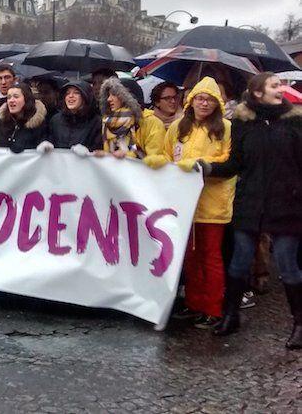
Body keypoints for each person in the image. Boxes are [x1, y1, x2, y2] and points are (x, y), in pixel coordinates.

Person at [201, 72, 302, 348]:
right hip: (250, 203)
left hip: (287, 205)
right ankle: (230, 315)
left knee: (287, 264)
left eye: (281, 84)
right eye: (274, 85)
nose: (281, 88)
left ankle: (300, 324)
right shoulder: (242, 124)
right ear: (257, 92)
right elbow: (235, 163)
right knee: (239, 260)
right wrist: (208, 168)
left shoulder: (295, 121)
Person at [164, 77, 235, 330]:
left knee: (211, 256)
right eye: (200, 99)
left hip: (212, 204)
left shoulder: (226, 127)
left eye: (209, 100)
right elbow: (166, 154)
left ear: (217, 104)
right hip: (185, 204)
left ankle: (213, 308)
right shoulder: (177, 128)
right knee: (190, 257)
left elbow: (229, 159)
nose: (204, 104)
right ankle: (194, 304)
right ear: (191, 101)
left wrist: (202, 165)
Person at [97, 77, 166, 161]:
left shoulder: (151, 122)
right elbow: (110, 155)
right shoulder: (108, 121)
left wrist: (128, 156)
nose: (109, 99)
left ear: (128, 97)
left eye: (114, 94)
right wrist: (104, 156)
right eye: (108, 95)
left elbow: (155, 159)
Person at [48, 80, 103, 151]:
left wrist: (87, 151)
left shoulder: (96, 122)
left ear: (85, 97)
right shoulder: (56, 120)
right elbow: (50, 142)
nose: (70, 96)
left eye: (76, 93)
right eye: (67, 93)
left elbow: (99, 150)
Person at [0, 83, 48, 152]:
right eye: (9, 97)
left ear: (27, 99)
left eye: (16, 97)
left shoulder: (39, 125)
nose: (11, 100)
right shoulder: (1, 121)